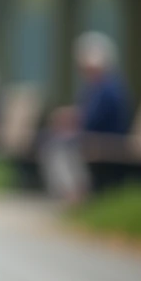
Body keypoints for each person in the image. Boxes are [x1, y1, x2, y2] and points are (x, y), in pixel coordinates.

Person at [40, 32, 131, 201]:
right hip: (94, 136)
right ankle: (72, 193)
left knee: (59, 145)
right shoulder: (95, 86)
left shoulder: (108, 87)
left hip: (107, 138)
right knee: (52, 140)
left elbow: (94, 119)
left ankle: (76, 194)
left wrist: (71, 119)